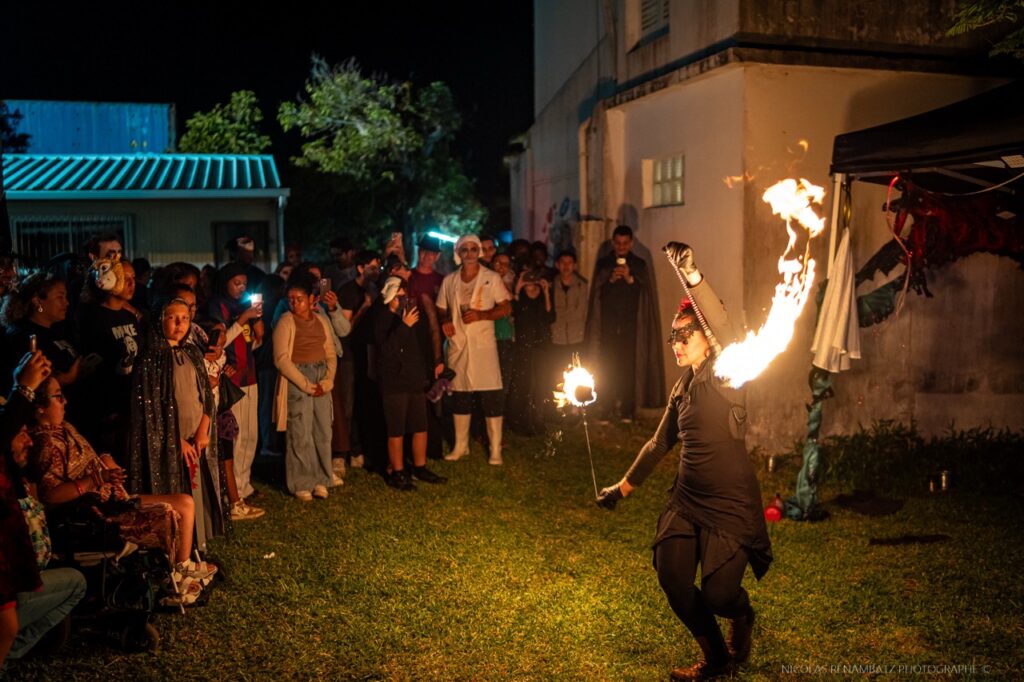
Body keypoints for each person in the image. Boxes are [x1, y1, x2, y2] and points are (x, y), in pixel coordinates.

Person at [597, 243, 772, 681]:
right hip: (687, 500)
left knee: (719, 595)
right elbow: (658, 444)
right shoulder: (683, 387)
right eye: (672, 335)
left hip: (730, 506)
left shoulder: (728, 374)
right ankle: (717, 660)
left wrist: (691, 275)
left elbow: (726, 331)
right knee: (674, 580)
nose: (675, 342)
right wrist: (622, 488)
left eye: (685, 335)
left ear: (706, 339)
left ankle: (743, 614)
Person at [129, 296, 225, 558]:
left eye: (185, 317)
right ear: (160, 320)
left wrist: (204, 429)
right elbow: (150, 412)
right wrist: (176, 441)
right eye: (172, 317)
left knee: (197, 488)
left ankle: (199, 543)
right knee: (178, 489)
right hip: (170, 443)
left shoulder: (193, 352)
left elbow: (206, 394)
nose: (180, 323)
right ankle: (179, 546)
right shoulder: (151, 359)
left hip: (198, 437)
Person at [437, 235, 511, 465]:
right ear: (458, 252)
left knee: (491, 395)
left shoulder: (491, 278)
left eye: (472, 249)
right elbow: (441, 307)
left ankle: (495, 450)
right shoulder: (449, 280)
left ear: (478, 251)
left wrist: (483, 315)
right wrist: (446, 319)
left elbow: (506, 307)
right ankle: (461, 447)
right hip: (459, 344)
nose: (468, 253)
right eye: (464, 249)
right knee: (460, 394)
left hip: (483, 345)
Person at [585, 225, 664, 422]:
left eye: (625, 243)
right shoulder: (604, 263)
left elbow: (644, 295)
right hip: (608, 326)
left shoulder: (639, 264)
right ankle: (606, 406)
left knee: (628, 367)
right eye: (618, 243)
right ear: (613, 243)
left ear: (631, 243)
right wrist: (611, 280)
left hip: (631, 326)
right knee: (607, 366)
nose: (621, 247)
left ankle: (627, 409)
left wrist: (629, 278)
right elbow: (597, 295)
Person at [374, 277, 446, 490]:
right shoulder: (382, 318)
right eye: (399, 297)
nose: (403, 300)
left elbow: (419, 346)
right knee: (396, 429)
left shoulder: (411, 316)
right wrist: (404, 326)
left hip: (414, 380)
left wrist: (430, 368)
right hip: (394, 382)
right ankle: (397, 471)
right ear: (389, 298)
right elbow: (386, 351)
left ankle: (419, 466)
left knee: (420, 426)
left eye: (405, 296)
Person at [272, 272, 337, 501]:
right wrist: (306, 384)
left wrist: (327, 380)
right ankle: (301, 481)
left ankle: (321, 478)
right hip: (298, 377)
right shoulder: (286, 322)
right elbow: (281, 359)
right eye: (291, 299)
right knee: (300, 431)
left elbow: (330, 352)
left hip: (320, 375)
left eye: (299, 298)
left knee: (322, 431)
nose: (294, 303)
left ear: (312, 299)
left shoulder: (320, 320)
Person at [208, 264, 264, 503]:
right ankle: (235, 489)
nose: (241, 288)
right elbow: (220, 342)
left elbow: (252, 344)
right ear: (225, 282)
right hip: (231, 379)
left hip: (249, 374)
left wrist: (259, 333)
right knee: (238, 434)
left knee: (252, 433)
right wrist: (243, 319)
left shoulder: (244, 306)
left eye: (244, 283)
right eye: (236, 283)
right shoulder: (216, 306)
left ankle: (245, 482)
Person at [508, 269, 554, 435]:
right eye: (529, 282)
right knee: (524, 384)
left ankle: (538, 419)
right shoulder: (521, 299)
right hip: (524, 347)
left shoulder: (542, 297)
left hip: (542, 346)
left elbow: (550, 317)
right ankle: (521, 421)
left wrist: (547, 292)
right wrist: (518, 288)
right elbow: (514, 311)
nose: (532, 285)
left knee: (541, 384)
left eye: (534, 281)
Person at [549, 249, 588, 384]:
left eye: (569, 263)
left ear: (575, 265)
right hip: (556, 337)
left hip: (576, 337)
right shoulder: (551, 285)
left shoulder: (582, 285)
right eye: (563, 263)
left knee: (577, 374)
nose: (566, 266)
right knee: (558, 374)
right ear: (557, 265)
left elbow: (582, 311)